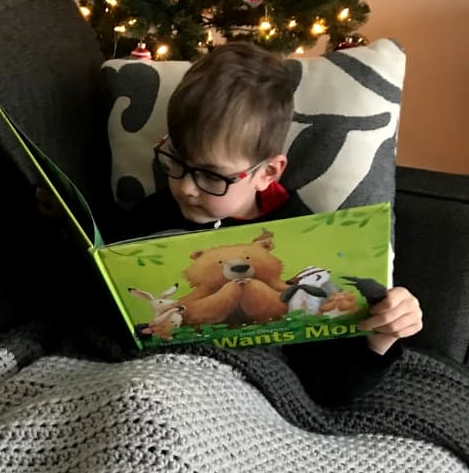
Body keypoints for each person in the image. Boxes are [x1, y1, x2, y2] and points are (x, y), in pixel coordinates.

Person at [119, 41, 423, 404]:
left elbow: (330, 388)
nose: (185, 187)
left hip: (248, 400)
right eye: (175, 161)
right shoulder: (155, 212)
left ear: (268, 173)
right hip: (152, 381)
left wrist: (383, 337)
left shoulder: (306, 239)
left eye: (212, 176)